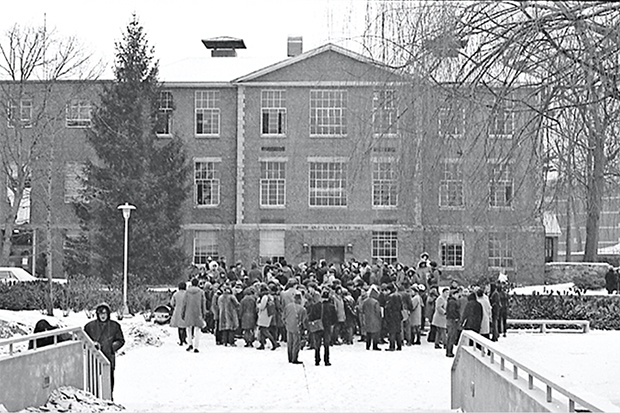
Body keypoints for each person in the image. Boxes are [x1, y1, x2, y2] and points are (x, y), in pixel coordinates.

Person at [84, 303, 125, 395]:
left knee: (109, 379)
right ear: (97, 314)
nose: (103, 316)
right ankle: (93, 397)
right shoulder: (89, 326)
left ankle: (109, 397)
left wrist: (112, 347)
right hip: (94, 358)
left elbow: (121, 340)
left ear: (108, 314)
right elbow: (84, 341)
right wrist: (92, 345)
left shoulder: (115, 326)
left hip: (108, 356)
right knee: (93, 379)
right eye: (100, 313)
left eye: (105, 313)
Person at [307, 288, 338, 366]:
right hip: (327, 327)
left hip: (318, 327)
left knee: (317, 343)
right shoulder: (331, 306)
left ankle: (317, 360)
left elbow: (311, 316)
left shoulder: (316, 306)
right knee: (326, 344)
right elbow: (335, 318)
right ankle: (326, 360)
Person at [181, 278, 207, 353]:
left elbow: (184, 304)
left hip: (188, 312)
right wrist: (204, 313)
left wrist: (183, 313)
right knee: (197, 330)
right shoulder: (201, 292)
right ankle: (196, 346)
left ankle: (190, 344)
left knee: (189, 329)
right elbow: (203, 303)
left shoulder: (187, 292)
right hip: (198, 312)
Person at [283, 290, 308, 364]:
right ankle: (294, 358)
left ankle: (290, 357)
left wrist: (286, 324)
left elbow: (283, 317)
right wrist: (305, 329)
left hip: (288, 326)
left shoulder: (287, 307)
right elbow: (304, 320)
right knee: (296, 343)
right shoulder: (302, 309)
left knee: (289, 342)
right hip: (297, 327)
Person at [256, 284, 279, 350]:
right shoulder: (269, 296)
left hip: (264, 314)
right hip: (268, 314)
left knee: (264, 329)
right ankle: (262, 344)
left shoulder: (264, 297)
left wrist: (258, 304)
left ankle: (273, 342)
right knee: (262, 329)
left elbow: (262, 306)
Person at [361, 285, 383, 350]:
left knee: (368, 333)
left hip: (367, 319)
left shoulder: (365, 301)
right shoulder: (376, 302)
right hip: (375, 319)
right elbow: (378, 311)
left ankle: (368, 346)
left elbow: (362, 310)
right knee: (376, 333)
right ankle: (375, 346)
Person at [169, 281, 187, 346]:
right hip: (185, 310)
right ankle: (185, 338)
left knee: (179, 326)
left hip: (178, 311)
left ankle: (181, 340)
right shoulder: (187, 294)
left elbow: (172, 303)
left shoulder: (176, 294)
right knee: (185, 325)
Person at [445, 288, 461, 357]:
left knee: (450, 336)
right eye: (457, 294)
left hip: (449, 320)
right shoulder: (453, 302)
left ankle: (448, 350)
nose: (458, 296)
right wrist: (456, 317)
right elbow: (452, 311)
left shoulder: (450, 301)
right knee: (451, 336)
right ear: (453, 294)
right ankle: (449, 351)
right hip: (452, 320)